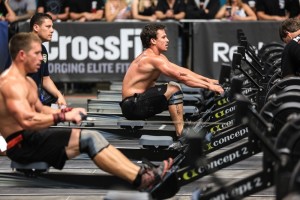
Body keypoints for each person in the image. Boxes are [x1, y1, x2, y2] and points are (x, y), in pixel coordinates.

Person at [0, 32, 173, 191]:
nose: (41, 58)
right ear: (22, 55)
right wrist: (62, 116)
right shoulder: (9, 84)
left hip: (34, 138)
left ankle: (142, 174)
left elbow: (40, 109)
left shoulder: (28, 82)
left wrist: (68, 110)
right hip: (22, 145)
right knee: (89, 138)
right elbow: (27, 120)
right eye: (37, 54)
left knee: (92, 136)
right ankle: (141, 179)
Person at [120, 23, 224, 140]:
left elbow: (183, 71)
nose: (167, 40)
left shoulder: (159, 57)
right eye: (163, 37)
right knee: (174, 89)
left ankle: (183, 126)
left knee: (172, 87)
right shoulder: (151, 59)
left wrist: (208, 80)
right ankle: (181, 133)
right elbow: (182, 78)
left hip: (137, 101)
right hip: (131, 106)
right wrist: (209, 87)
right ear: (153, 40)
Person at [28, 13, 66, 107]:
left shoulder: (43, 49)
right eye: (48, 27)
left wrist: (59, 95)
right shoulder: (23, 46)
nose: (52, 30)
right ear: (36, 27)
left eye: (52, 27)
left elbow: (45, 78)